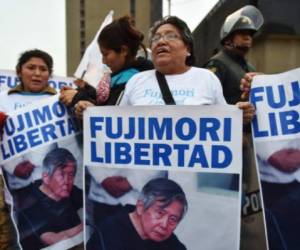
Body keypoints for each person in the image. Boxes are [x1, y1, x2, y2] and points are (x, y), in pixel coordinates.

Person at [120, 15, 254, 124]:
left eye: (171, 36)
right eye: (156, 38)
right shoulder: (136, 81)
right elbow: (118, 125)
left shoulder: (207, 79)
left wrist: (239, 115)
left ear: (188, 49)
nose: (161, 41)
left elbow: (225, 124)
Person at [0, 49, 57, 250]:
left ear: (50, 75)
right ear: (19, 71)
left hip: (53, 192)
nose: (37, 73)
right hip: (13, 193)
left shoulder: (61, 101)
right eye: (31, 67)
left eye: (43, 69)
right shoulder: (3, 100)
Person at [60, 15, 153, 117]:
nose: (103, 61)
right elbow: (102, 97)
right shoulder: (119, 75)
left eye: (106, 54)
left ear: (123, 50)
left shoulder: (132, 78)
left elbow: (112, 115)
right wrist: (84, 89)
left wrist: (77, 97)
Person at [87, 178, 187, 250]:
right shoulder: (109, 232)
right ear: (140, 207)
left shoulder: (167, 239)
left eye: (173, 219)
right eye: (160, 213)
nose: (164, 225)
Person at [15, 148, 83, 250]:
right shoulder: (29, 203)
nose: (67, 180)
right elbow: (58, 240)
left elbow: (93, 207)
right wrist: (85, 222)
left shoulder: (67, 190)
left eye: (71, 174)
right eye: (61, 174)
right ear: (46, 178)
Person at [204, 5, 264, 105]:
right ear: (228, 39)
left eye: (250, 34)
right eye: (242, 33)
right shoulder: (217, 64)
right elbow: (208, 102)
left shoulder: (250, 67)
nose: (247, 37)